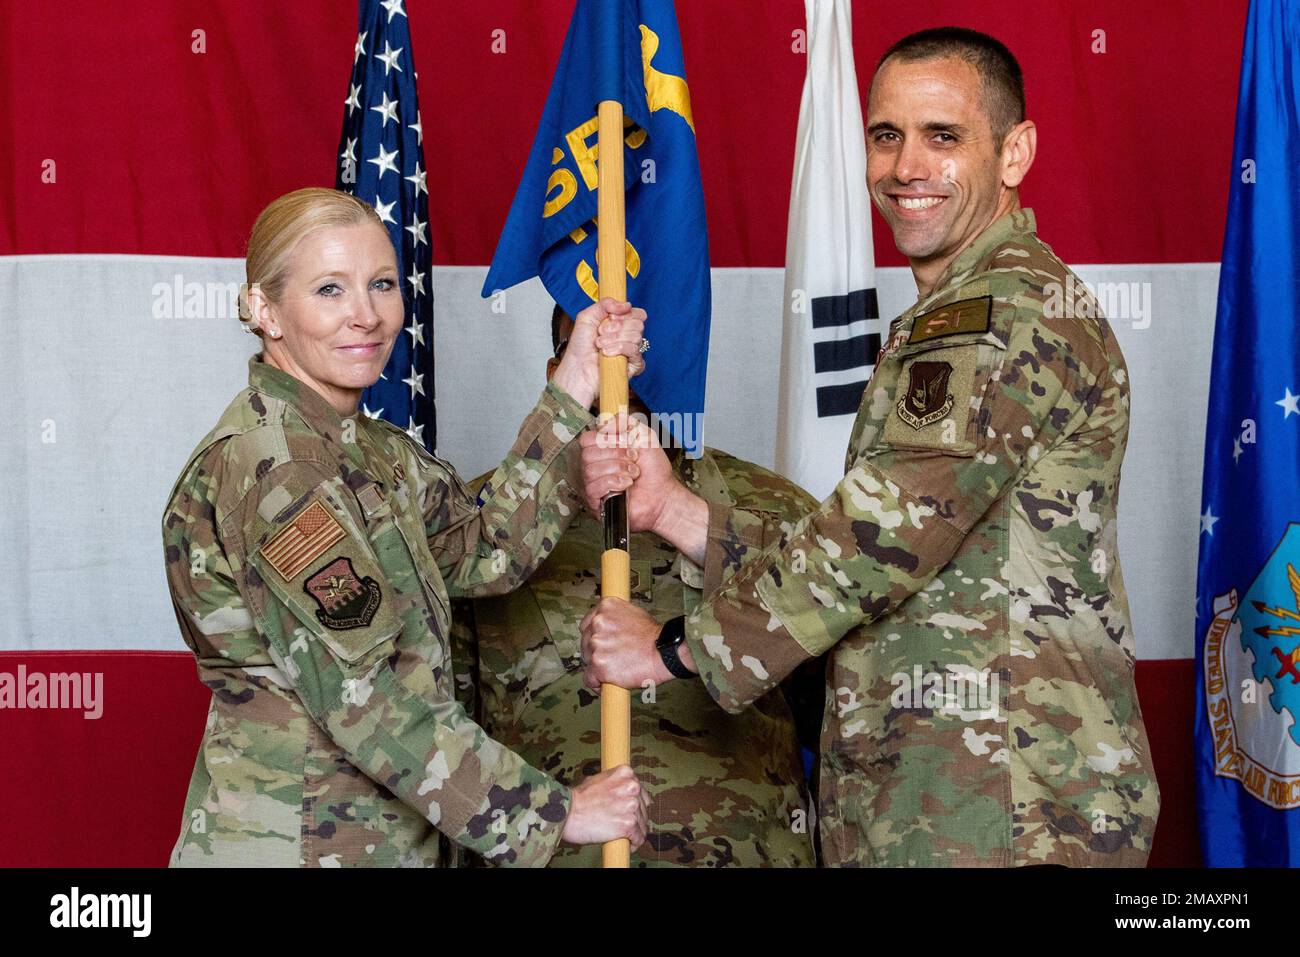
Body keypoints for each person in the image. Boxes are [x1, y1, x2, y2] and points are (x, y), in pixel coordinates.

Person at [578, 27, 1160, 867]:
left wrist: (673, 648)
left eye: (943, 136)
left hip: (1005, 811)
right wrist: (677, 511)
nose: (906, 167)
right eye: (886, 135)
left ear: (1015, 152)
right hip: (938, 800)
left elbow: (872, 546)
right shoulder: (957, 310)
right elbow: (911, 560)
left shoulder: (1001, 314)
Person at [161, 187, 650, 867]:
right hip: (296, 848)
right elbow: (369, 701)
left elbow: (486, 552)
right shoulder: (273, 466)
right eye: (330, 289)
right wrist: (554, 813)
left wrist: (572, 383)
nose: (365, 315)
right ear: (264, 308)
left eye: (382, 284)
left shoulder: (368, 449)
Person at [449, 306, 821, 868]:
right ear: (558, 371)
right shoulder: (481, 525)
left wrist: (691, 522)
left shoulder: (772, 506)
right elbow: (437, 737)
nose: (623, 368)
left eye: (641, 344)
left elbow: (841, 682)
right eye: (596, 347)